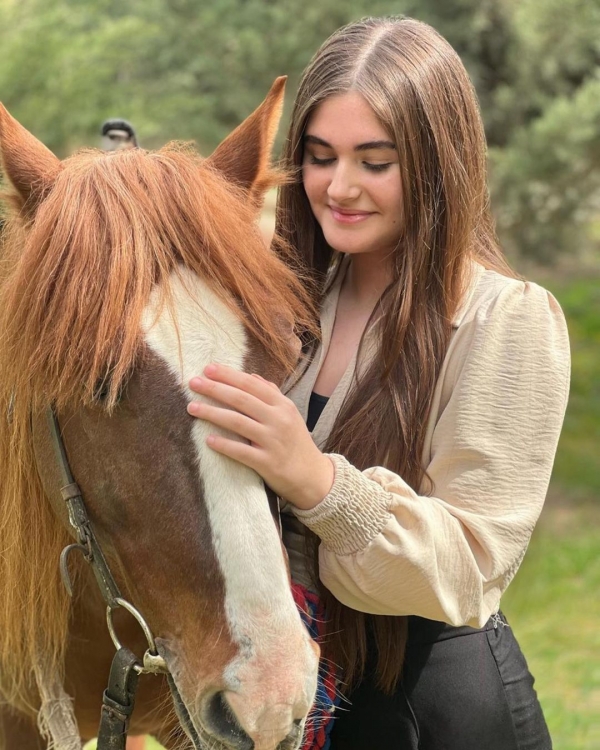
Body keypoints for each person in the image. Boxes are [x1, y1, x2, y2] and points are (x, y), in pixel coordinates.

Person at [186, 16, 570, 750]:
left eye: (375, 161)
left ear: (436, 163)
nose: (340, 187)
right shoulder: (283, 307)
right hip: (287, 693)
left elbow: (473, 567)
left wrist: (316, 481)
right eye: (320, 157)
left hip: (431, 713)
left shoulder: (504, 320)